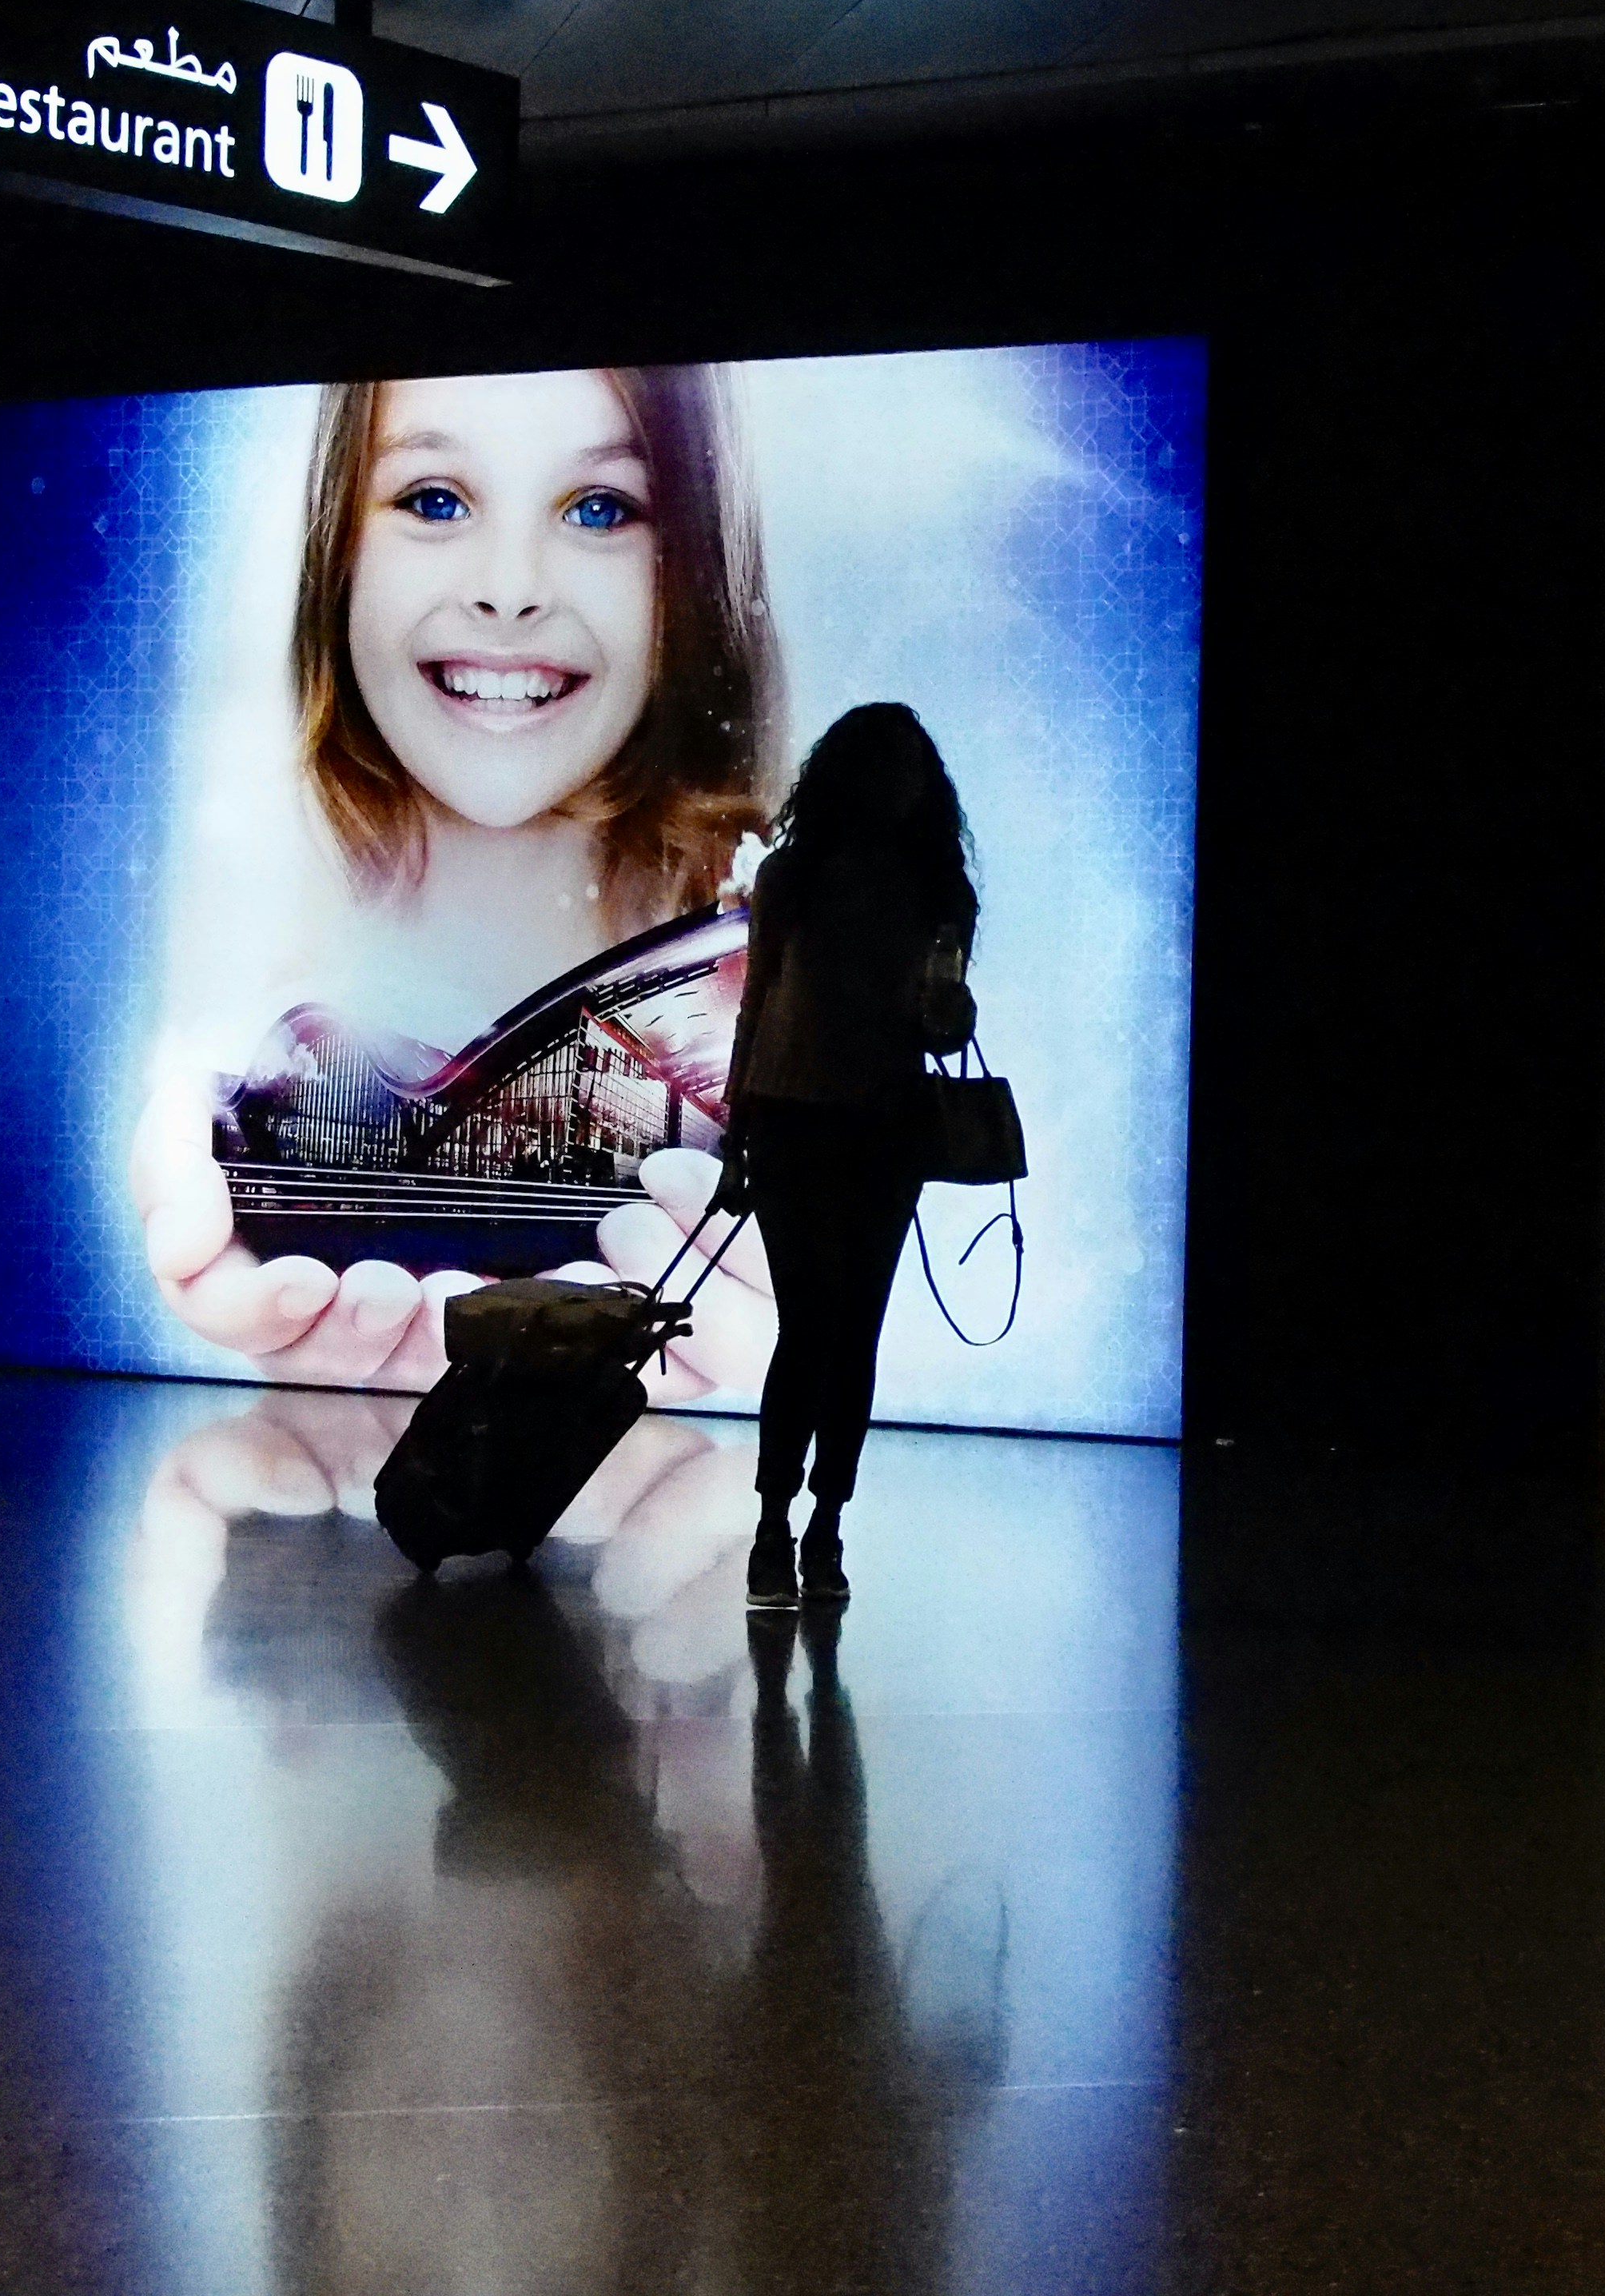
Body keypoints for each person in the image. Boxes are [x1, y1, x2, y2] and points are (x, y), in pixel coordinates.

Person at [129, 365, 787, 1397]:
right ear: (338, 544)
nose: (510, 586)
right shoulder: (232, 975)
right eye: (434, 500)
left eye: (601, 507)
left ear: (693, 568)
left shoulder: (779, 992)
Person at [718, 703, 977, 1609]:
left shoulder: (911, 890)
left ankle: (801, 1528)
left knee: (835, 1329)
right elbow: (755, 1008)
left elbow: (941, 1024)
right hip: (821, 1118)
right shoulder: (808, 878)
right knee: (826, 1329)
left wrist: (735, 1133)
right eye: (893, 766)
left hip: (846, 1117)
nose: (903, 784)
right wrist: (736, 1130)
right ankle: (790, 1528)